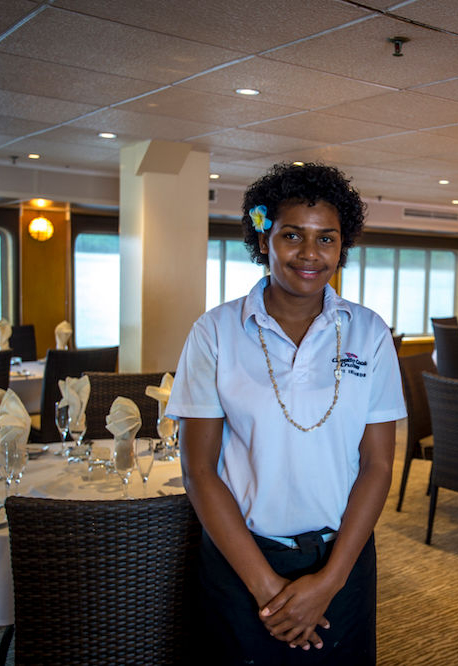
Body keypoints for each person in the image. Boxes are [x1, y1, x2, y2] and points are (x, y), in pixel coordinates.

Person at [168, 162, 406, 665]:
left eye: (327, 239)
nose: (310, 254)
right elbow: (199, 471)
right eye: (293, 235)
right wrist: (267, 589)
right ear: (264, 239)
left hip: (343, 559)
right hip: (242, 562)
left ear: (344, 246)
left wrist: (330, 581)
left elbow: (378, 466)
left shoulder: (369, 333)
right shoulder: (216, 332)